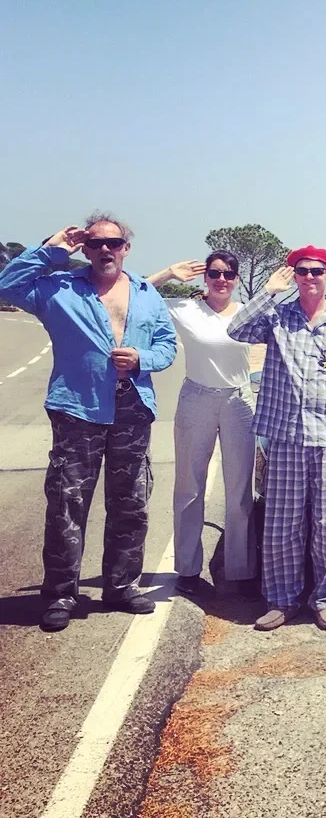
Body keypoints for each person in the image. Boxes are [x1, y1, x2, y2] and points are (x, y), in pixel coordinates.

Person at [0, 214, 177, 632]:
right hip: (77, 409)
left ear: (125, 248)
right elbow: (7, 285)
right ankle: (61, 592)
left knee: (130, 503)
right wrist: (56, 246)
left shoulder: (148, 294)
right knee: (66, 504)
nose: (104, 250)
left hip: (133, 407)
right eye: (94, 243)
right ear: (84, 248)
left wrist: (142, 360)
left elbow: (166, 345)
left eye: (113, 243)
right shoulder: (59, 289)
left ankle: (122, 586)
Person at [227, 245, 326, 633]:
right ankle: (281, 601)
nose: (309, 277)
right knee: (282, 525)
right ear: (293, 275)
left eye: (317, 271)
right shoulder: (277, 316)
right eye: (302, 271)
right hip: (286, 434)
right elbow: (236, 329)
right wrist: (268, 290)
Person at [146, 253, 258, 598]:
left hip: (239, 400)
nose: (220, 279)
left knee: (240, 491)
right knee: (189, 487)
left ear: (237, 279)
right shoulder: (186, 308)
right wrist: (168, 272)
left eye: (228, 274)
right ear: (204, 277)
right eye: (214, 273)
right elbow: (136, 291)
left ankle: (240, 571)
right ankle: (188, 569)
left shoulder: (246, 312)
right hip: (197, 397)